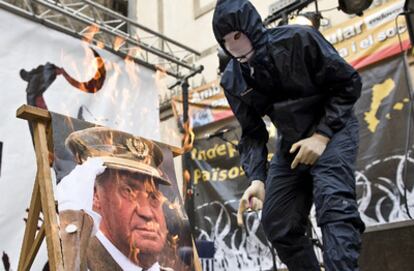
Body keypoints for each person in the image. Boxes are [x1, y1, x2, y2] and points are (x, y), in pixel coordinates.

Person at [212, 1, 365, 270]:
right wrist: (257, 178)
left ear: (250, 28)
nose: (233, 45)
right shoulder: (233, 79)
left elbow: (348, 83)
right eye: (225, 40)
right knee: (277, 221)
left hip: (332, 129)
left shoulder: (299, 39)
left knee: (334, 207)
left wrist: (322, 135)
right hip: (291, 141)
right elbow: (252, 132)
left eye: (237, 34)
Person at [57, 127, 174, 271]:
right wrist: (72, 215)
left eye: (153, 197)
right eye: (128, 191)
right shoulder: (71, 265)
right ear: (95, 195)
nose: (147, 213)